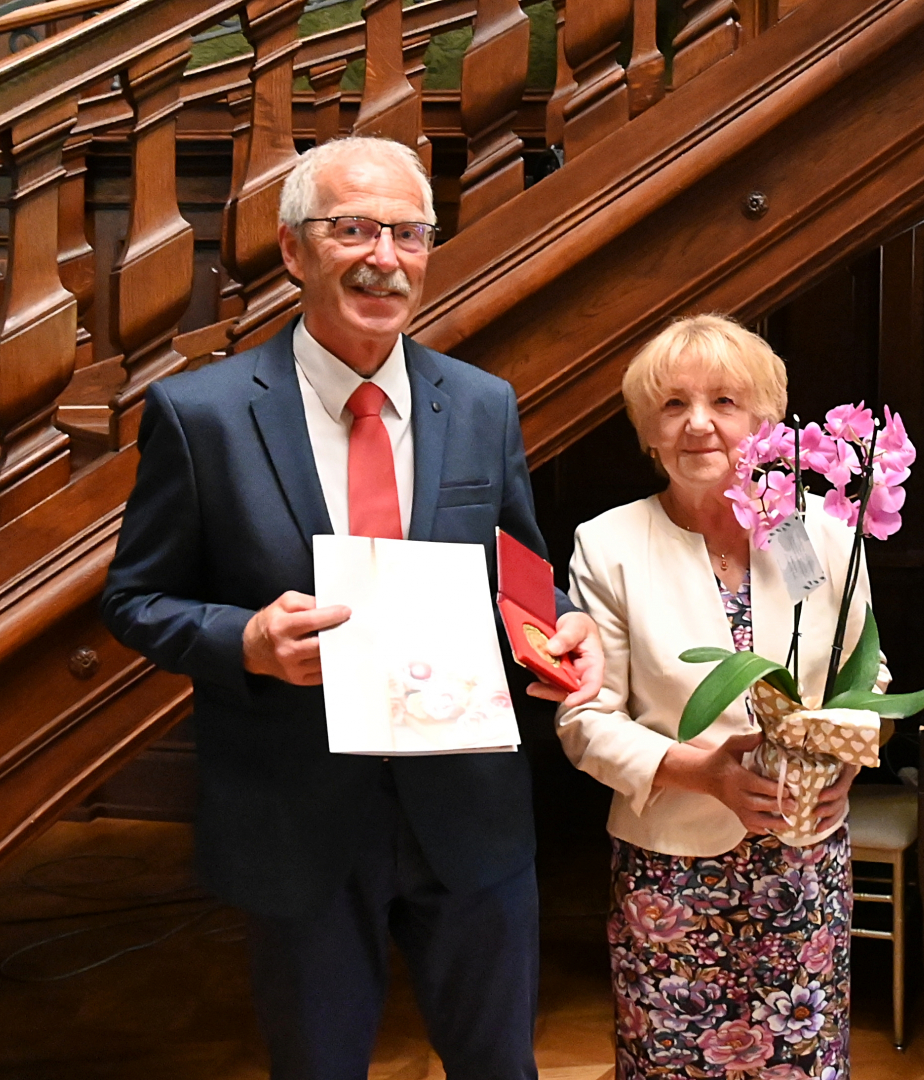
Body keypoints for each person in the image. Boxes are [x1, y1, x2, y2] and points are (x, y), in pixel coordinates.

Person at [101, 135, 604, 1080]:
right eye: (353, 229)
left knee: (501, 1066)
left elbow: (519, 572)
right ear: (294, 250)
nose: (385, 256)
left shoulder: (483, 404)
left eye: (409, 233)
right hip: (299, 821)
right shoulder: (201, 417)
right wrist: (245, 640)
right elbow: (135, 599)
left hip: (470, 813)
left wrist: (563, 623)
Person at [555, 314, 883, 1080]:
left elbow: (867, 677)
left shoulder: (813, 535)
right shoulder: (610, 546)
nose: (698, 424)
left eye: (725, 402)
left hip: (802, 865)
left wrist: (846, 765)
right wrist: (702, 774)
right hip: (672, 875)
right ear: (648, 430)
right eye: (673, 405)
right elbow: (585, 722)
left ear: (765, 421)